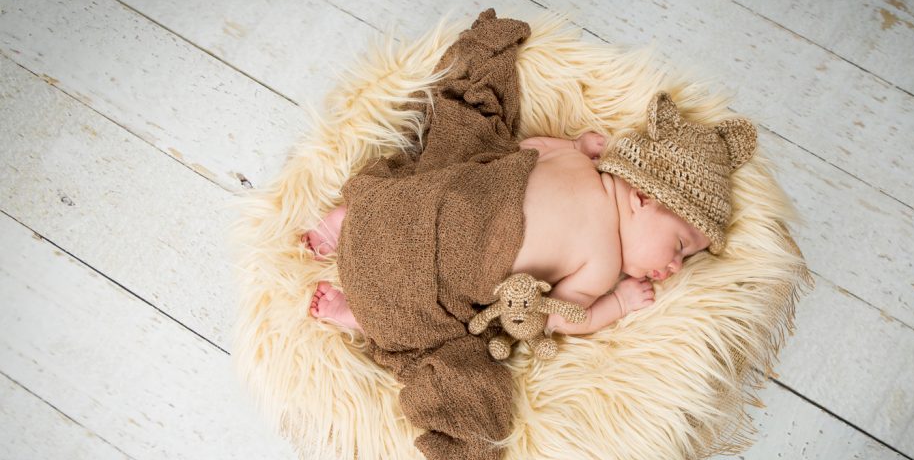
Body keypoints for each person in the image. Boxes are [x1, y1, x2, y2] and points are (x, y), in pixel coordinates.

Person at [304, 91, 756, 338]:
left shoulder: (580, 171)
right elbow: (562, 318)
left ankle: (352, 294)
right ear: (643, 196)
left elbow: (530, 149)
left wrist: (573, 147)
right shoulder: (601, 263)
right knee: (428, 197)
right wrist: (615, 303)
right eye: (680, 245)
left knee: (423, 296)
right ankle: (349, 235)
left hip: (466, 260)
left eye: (686, 259)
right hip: (467, 205)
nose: (675, 267)